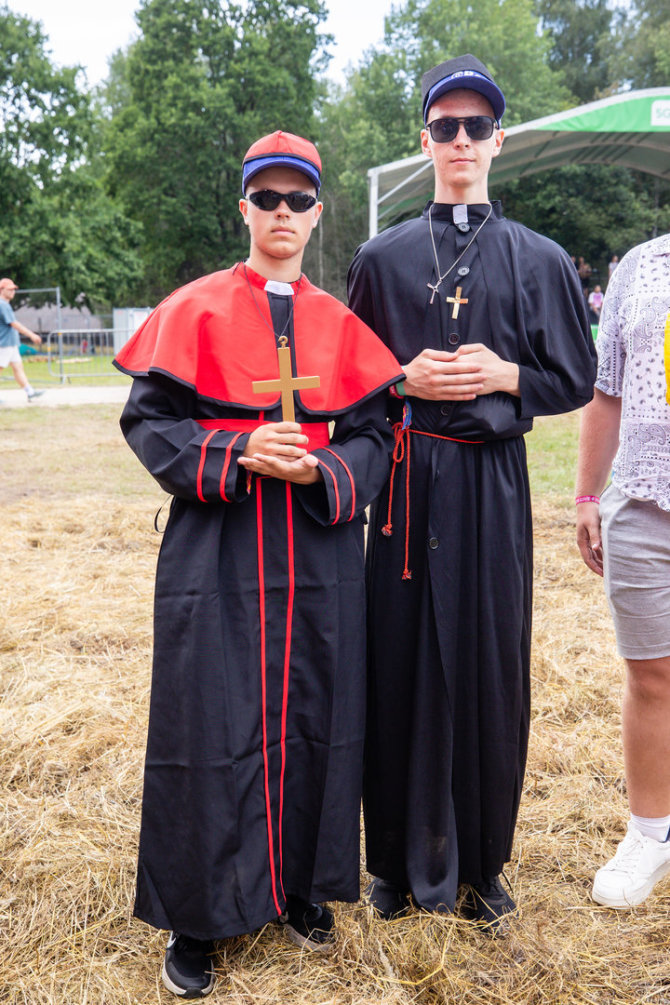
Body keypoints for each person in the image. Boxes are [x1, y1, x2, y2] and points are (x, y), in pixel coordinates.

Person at [114, 130, 403, 998]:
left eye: (299, 200)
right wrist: (237, 449)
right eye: (266, 198)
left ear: (318, 212)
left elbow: (375, 435)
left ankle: (300, 892)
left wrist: (321, 466)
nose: (283, 213)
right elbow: (149, 423)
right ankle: (200, 918)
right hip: (221, 553)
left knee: (317, 713)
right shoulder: (194, 309)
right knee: (210, 726)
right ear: (244, 206)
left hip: (317, 555)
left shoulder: (340, 324)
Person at [347, 53, 597, 930]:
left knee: (491, 666)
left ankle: (484, 862)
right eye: (446, 127)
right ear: (426, 140)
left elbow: (574, 375)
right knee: (397, 661)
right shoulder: (381, 258)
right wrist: (399, 379)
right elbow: (349, 384)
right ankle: (390, 866)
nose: (461, 140)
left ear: (498, 138)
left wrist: (509, 374)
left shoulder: (539, 258)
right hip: (412, 481)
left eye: (476, 126)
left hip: (492, 484)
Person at [576, 232, 670, 909]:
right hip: (642, 500)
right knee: (652, 673)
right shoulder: (639, 266)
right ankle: (650, 833)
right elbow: (606, 391)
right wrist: (586, 495)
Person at [0, 278, 44, 400]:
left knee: (18, 368)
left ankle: (30, 392)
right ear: (2, 290)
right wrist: (32, 335)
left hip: (11, 344)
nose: (13, 291)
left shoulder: (5, 305)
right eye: (10, 289)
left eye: (14, 289)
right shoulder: (3, 305)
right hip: (4, 344)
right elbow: (14, 324)